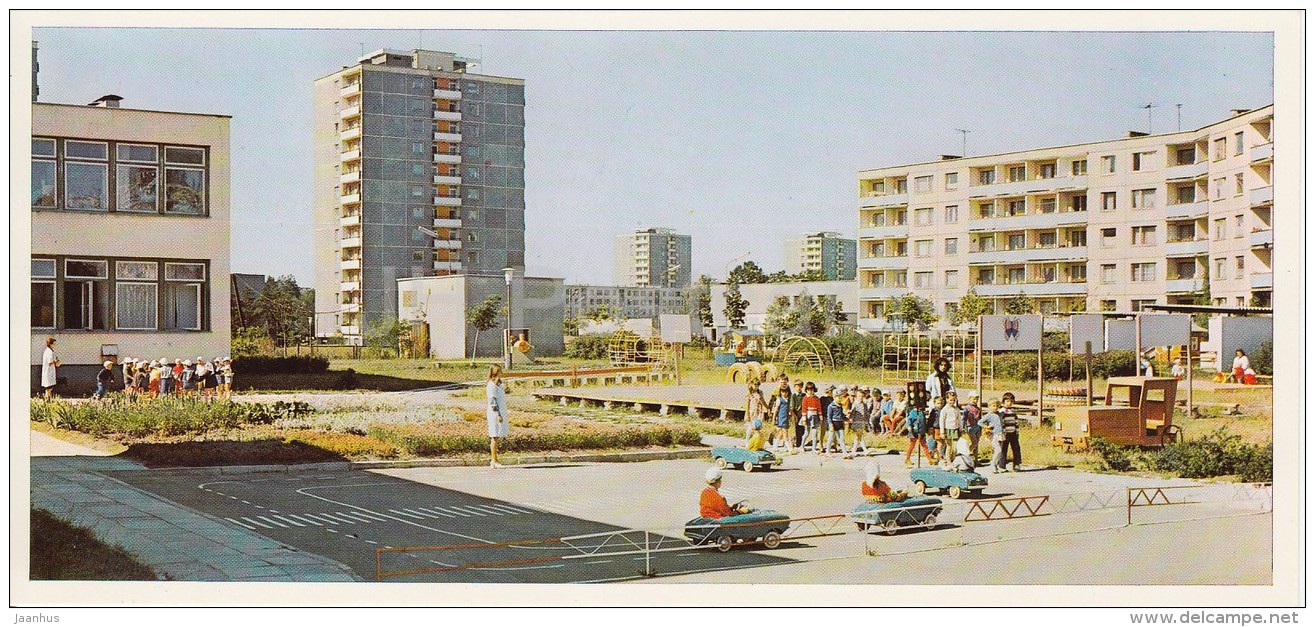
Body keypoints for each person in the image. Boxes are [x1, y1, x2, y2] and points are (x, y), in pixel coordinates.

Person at [486, 365, 510, 468]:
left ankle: (495, 459)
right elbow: (493, 401)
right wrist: (498, 414)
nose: (502, 373)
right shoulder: (491, 385)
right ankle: (494, 460)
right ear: (496, 373)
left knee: (497, 435)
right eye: (500, 371)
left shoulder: (499, 385)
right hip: (495, 413)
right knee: (494, 436)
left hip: (501, 412)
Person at [903, 397, 935, 466]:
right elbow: (909, 420)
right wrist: (909, 426)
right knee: (912, 445)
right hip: (914, 431)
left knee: (924, 446)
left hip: (921, 431)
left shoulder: (922, 413)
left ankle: (929, 459)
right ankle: (907, 458)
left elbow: (924, 422)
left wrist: (926, 429)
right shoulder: (913, 412)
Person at [978, 400, 1005, 473]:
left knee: (1000, 451)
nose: (995, 407)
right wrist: (987, 426)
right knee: (998, 449)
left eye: (997, 406)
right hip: (993, 434)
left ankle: (996, 465)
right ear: (989, 406)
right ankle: (993, 463)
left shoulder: (1000, 414)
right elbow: (979, 422)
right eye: (993, 406)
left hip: (1000, 434)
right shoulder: (989, 415)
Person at [938, 391, 963, 466]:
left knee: (955, 446)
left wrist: (961, 429)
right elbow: (941, 421)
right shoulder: (944, 410)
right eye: (951, 400)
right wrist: (942, 432)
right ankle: (948, 459)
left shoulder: (956, 409)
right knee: (949, 446)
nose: (952, 401)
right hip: (948, 429)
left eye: (954, 400)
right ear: (947, 399)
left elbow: (959, 420)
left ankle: (953, 458)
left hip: (955, 429)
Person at [999, 392, 1022, 472]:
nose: (1009, 403)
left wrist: (1017, 432)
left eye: (1011, 401)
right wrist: (1003, 433)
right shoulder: (1001, 412)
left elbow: (1016, 423)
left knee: (1016, 449)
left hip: (1013, 433)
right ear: (1003, 402)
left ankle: (1016, 464)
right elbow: (1001, 423)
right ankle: (1002, 466)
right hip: (1005, 434)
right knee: (1003, 449)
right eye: (1008, 401)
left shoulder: (1013, 412)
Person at [823, 386, 849, 455]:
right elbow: (829, 417)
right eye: (839, 397)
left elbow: (841, 414)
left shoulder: (840, 405)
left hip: (840, 423)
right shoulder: (831, 406)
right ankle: (827, 451)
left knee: (841, 439)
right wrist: (830, 425)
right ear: (834, 397)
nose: (840, 399)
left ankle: (844, 452)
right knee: (830, 438)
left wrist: (846, 418)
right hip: (834, 423)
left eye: (841, 398)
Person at [769, 381, 793, 452]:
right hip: (781, 418)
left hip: (786, 418)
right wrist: (774, 418)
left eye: (786, 392)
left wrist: (790, 414)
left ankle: (775, 447)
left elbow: (788, 409)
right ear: (780, 392)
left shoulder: (788, 400)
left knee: (780, 434)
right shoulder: (779, 399)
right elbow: (776, 410)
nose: (784, 393)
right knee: (785, 433)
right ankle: (789, 448)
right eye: (783, 392)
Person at [847, 387, 871, 456]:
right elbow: (852, 412)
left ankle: (854, 449)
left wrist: (867, 422)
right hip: (856, 422)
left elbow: (866, 413)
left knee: (857, 437)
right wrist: (851, 419)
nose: (860, 397)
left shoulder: (864, 404)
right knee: (860, 436)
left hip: (862, 422)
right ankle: (865, 450)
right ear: (857, 396)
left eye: (862, 396)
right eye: (859, 396)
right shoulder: (855, 404)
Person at [744, 379, 768, 445]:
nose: (756, 387)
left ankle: (757, 441)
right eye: (755, 385)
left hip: (758, 411)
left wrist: (767, 409)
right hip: (752, 411)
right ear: (751, 385)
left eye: (757, 385)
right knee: (751, 427)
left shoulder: (760, 392)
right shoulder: (749, 394)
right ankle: (747, 440)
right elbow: (747, 405)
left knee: (758, 426)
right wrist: (748, 414)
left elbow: (763, 402)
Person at [800, 382, 823, 452]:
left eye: (812, 390)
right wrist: (804, 419)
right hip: (808, 417)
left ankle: (814, 448)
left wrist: (821, 418)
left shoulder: (817, 398)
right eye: (809, 390)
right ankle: (801, 446)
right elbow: (804, 410)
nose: (810, 391)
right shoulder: (805, 399)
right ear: (806, 390)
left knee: (815, 433)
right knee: (806, 433)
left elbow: (819, 409)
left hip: (815, 417)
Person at [963, 392, 983, 464]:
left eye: (976, 399)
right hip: (970, 427)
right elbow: (964, 418)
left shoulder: (978, 408)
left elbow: (980, 419)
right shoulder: (967, 408)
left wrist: (981, 428)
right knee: (974, 443)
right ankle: (964, 454)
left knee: (977, 443)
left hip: (977, 426)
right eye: (973, 399)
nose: (975, 401)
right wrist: (963, 427)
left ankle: (976, 459)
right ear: (969, 398)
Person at [789, 380, 805, 448]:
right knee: (795, 428)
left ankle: (801, 443)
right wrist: (794, 415)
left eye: (800, 386)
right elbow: (791, 407)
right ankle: (795, 443)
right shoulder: (793, 396)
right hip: (795, 413)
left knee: (802, 429)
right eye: (797, 386)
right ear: (794, 387)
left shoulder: (803, 395)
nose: (798, 388)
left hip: (802, 413)